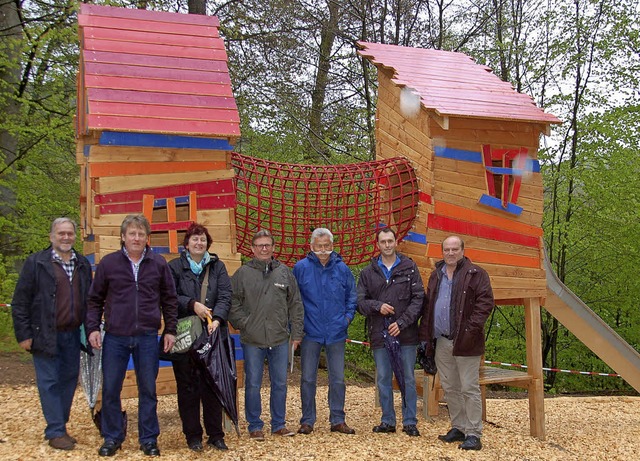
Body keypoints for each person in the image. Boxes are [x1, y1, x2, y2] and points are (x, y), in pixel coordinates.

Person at [86, 214, 178, 457]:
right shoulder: (108, 264)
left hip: (147, 336)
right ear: (123, 237)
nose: (136, 238)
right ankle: (112, 437)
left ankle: (148, 439)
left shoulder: (158, 264)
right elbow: (94, 299)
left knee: (148, 389)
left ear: (147, 238)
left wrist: (170, 329)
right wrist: (93, 328)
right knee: (111, 389)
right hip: (115, 336)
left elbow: (169, 299)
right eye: (132, 234)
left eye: (141, 234)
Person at [11, 218, 92, 450]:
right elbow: (20, 302)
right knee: (49, 382)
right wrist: (23, 335)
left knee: (68, 381)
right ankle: (55, 430)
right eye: (61, 234)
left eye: (70, 233)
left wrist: (91, 329)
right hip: (44, 333)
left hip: (73, 334)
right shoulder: (36, 263)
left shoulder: (82, 264)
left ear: (75, 236)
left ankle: (60, 426)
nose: (66, 237)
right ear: (51, 237)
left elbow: (89, 300)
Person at [419, 235, 494, 451]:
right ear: (441, 252)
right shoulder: (436, 275)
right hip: (441, 341)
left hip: (466, 341)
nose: (450, 253)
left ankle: (473, 433)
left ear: (462, 250)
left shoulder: (476, 274)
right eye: (447, 250)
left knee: (469, 388)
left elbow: (485, 303)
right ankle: (459, 427)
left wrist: (470, 330)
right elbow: (428, 308)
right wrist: (425, 338)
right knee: (450, 387)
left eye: (455, 249)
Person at [228, 229, 304, 441]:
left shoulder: (284, 272)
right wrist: (244, 323)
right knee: (253, 383)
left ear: (273, 248)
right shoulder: (243, 274)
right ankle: (255, 425)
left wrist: (296, 333)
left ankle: (278, 424)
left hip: (280, 338)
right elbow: (232, 302)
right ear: (252, 249)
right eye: (260, 245)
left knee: (280, 383)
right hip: (252, 340)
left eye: (267, 245)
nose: (264, 248)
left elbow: (295, 304)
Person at [168, 223, 232, 452]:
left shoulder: (217, 267)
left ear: (208, 243)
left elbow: (225, 294)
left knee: (213, 386)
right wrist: (191, 304)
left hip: (211, 334)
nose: (199, 243)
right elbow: (168, 296)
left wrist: (218, 319)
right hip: (185, 335)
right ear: (187, 244)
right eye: (195, 239)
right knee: (187, 388)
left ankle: (215, 435)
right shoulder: (174, 267)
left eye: (203, 239)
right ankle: (193, 435)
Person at [357, 227, 424, 437]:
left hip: (406, 335)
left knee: (408, 378)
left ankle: (410, 421)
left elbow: (418, 298)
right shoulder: (368, 273)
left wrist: (402, 322)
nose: (387, 245)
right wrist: (377, 306)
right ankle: (387, 420)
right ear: (377, 245)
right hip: (379, 333)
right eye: (382, 242)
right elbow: (359, 302)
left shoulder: (409, 267)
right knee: (384, 378)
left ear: (396, 242)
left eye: (390, 241)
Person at [293, 228, 357, 436]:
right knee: (308, 378)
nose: (322, 250)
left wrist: (346, 319)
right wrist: (297, 328)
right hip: (310, 332)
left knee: (337, 378)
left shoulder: (342, 269)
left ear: (332, 246)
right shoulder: (300, 268)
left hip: (336, 332)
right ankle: (307, 420)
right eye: (319, 246)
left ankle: (337, 419)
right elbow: (293, 300)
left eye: (326, 246)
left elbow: (352, 297)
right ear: (311, 247)